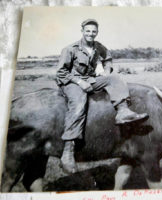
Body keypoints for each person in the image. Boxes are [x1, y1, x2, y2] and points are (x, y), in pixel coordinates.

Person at [56, 19, 148, 174]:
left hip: (90, 80)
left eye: (94, 31)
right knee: (79, 104)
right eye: (88, 31)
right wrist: (78, 81)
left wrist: (106, 71)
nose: (91, 34)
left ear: (96, 32)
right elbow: (61, 73)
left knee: (115, 78)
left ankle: (123, 111)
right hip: (71, 82)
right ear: (82, 31)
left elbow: (108, 59)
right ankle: (68, 151)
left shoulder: (98, 47)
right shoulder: (70, 49)